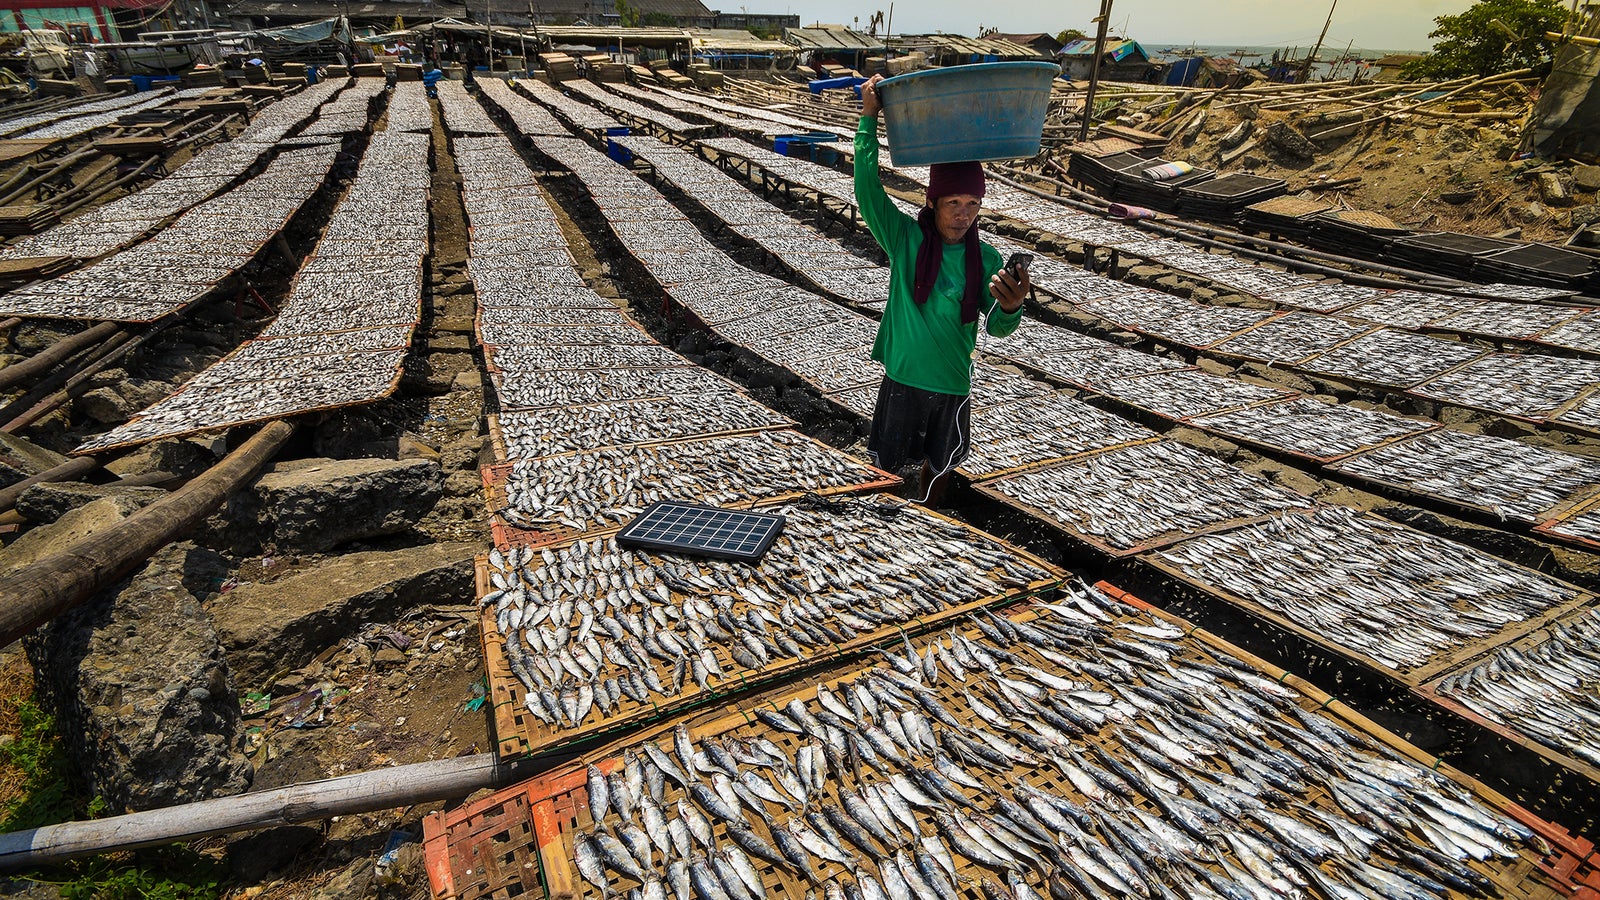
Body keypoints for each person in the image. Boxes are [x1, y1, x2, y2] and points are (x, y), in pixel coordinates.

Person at [855, 73, 1030, 505]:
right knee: (885, 463)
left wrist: (1012, 307)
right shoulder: (904, 239)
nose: (963, 215)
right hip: (902, 377)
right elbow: (867, 190)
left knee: (941, 465)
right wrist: (868, 118)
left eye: (973, 205)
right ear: (931, 203)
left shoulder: (986, 259)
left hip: (953, 384)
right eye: (953, 203)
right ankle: (879, 514)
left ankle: (929, 516)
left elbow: (999, 329)